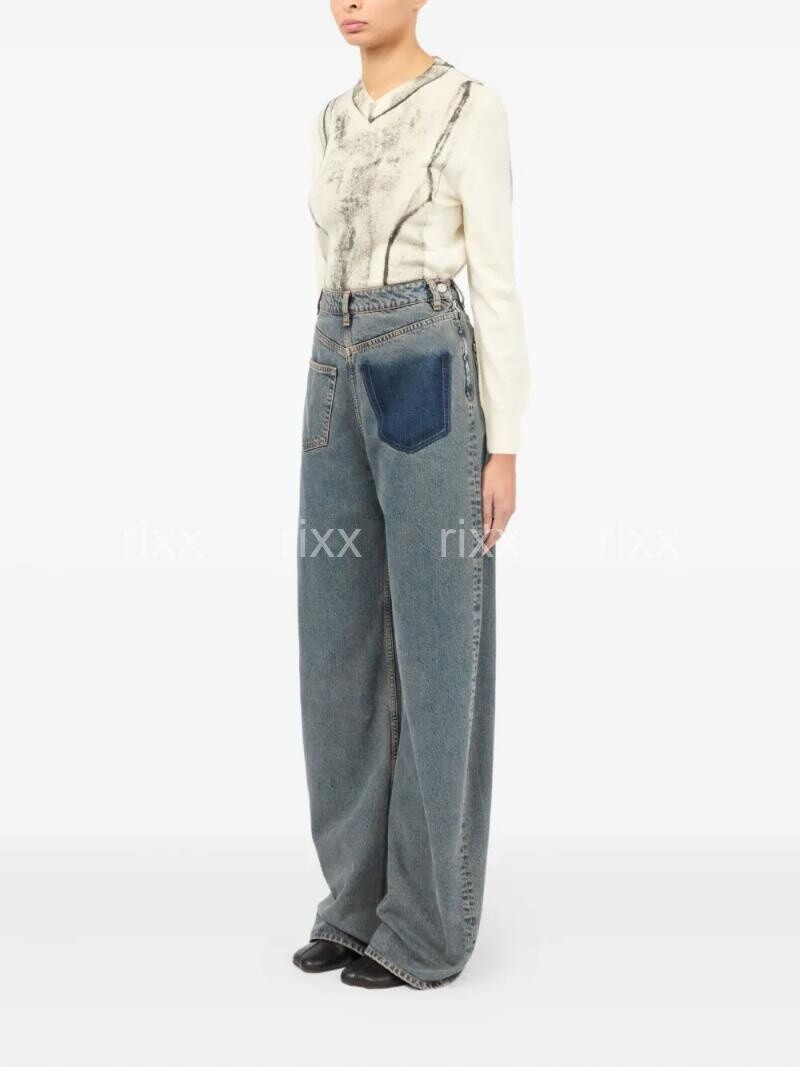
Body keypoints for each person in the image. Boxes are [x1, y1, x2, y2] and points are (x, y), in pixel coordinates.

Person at [293, 0, 529, 990]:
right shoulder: (329, 119)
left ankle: (428, 925)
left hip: (423, 363)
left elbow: (495, 280)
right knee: (335, 641)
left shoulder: (468, 105)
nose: (350, 1)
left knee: (437, 644)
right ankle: (355, 904)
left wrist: (502, 445)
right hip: (331, 360)